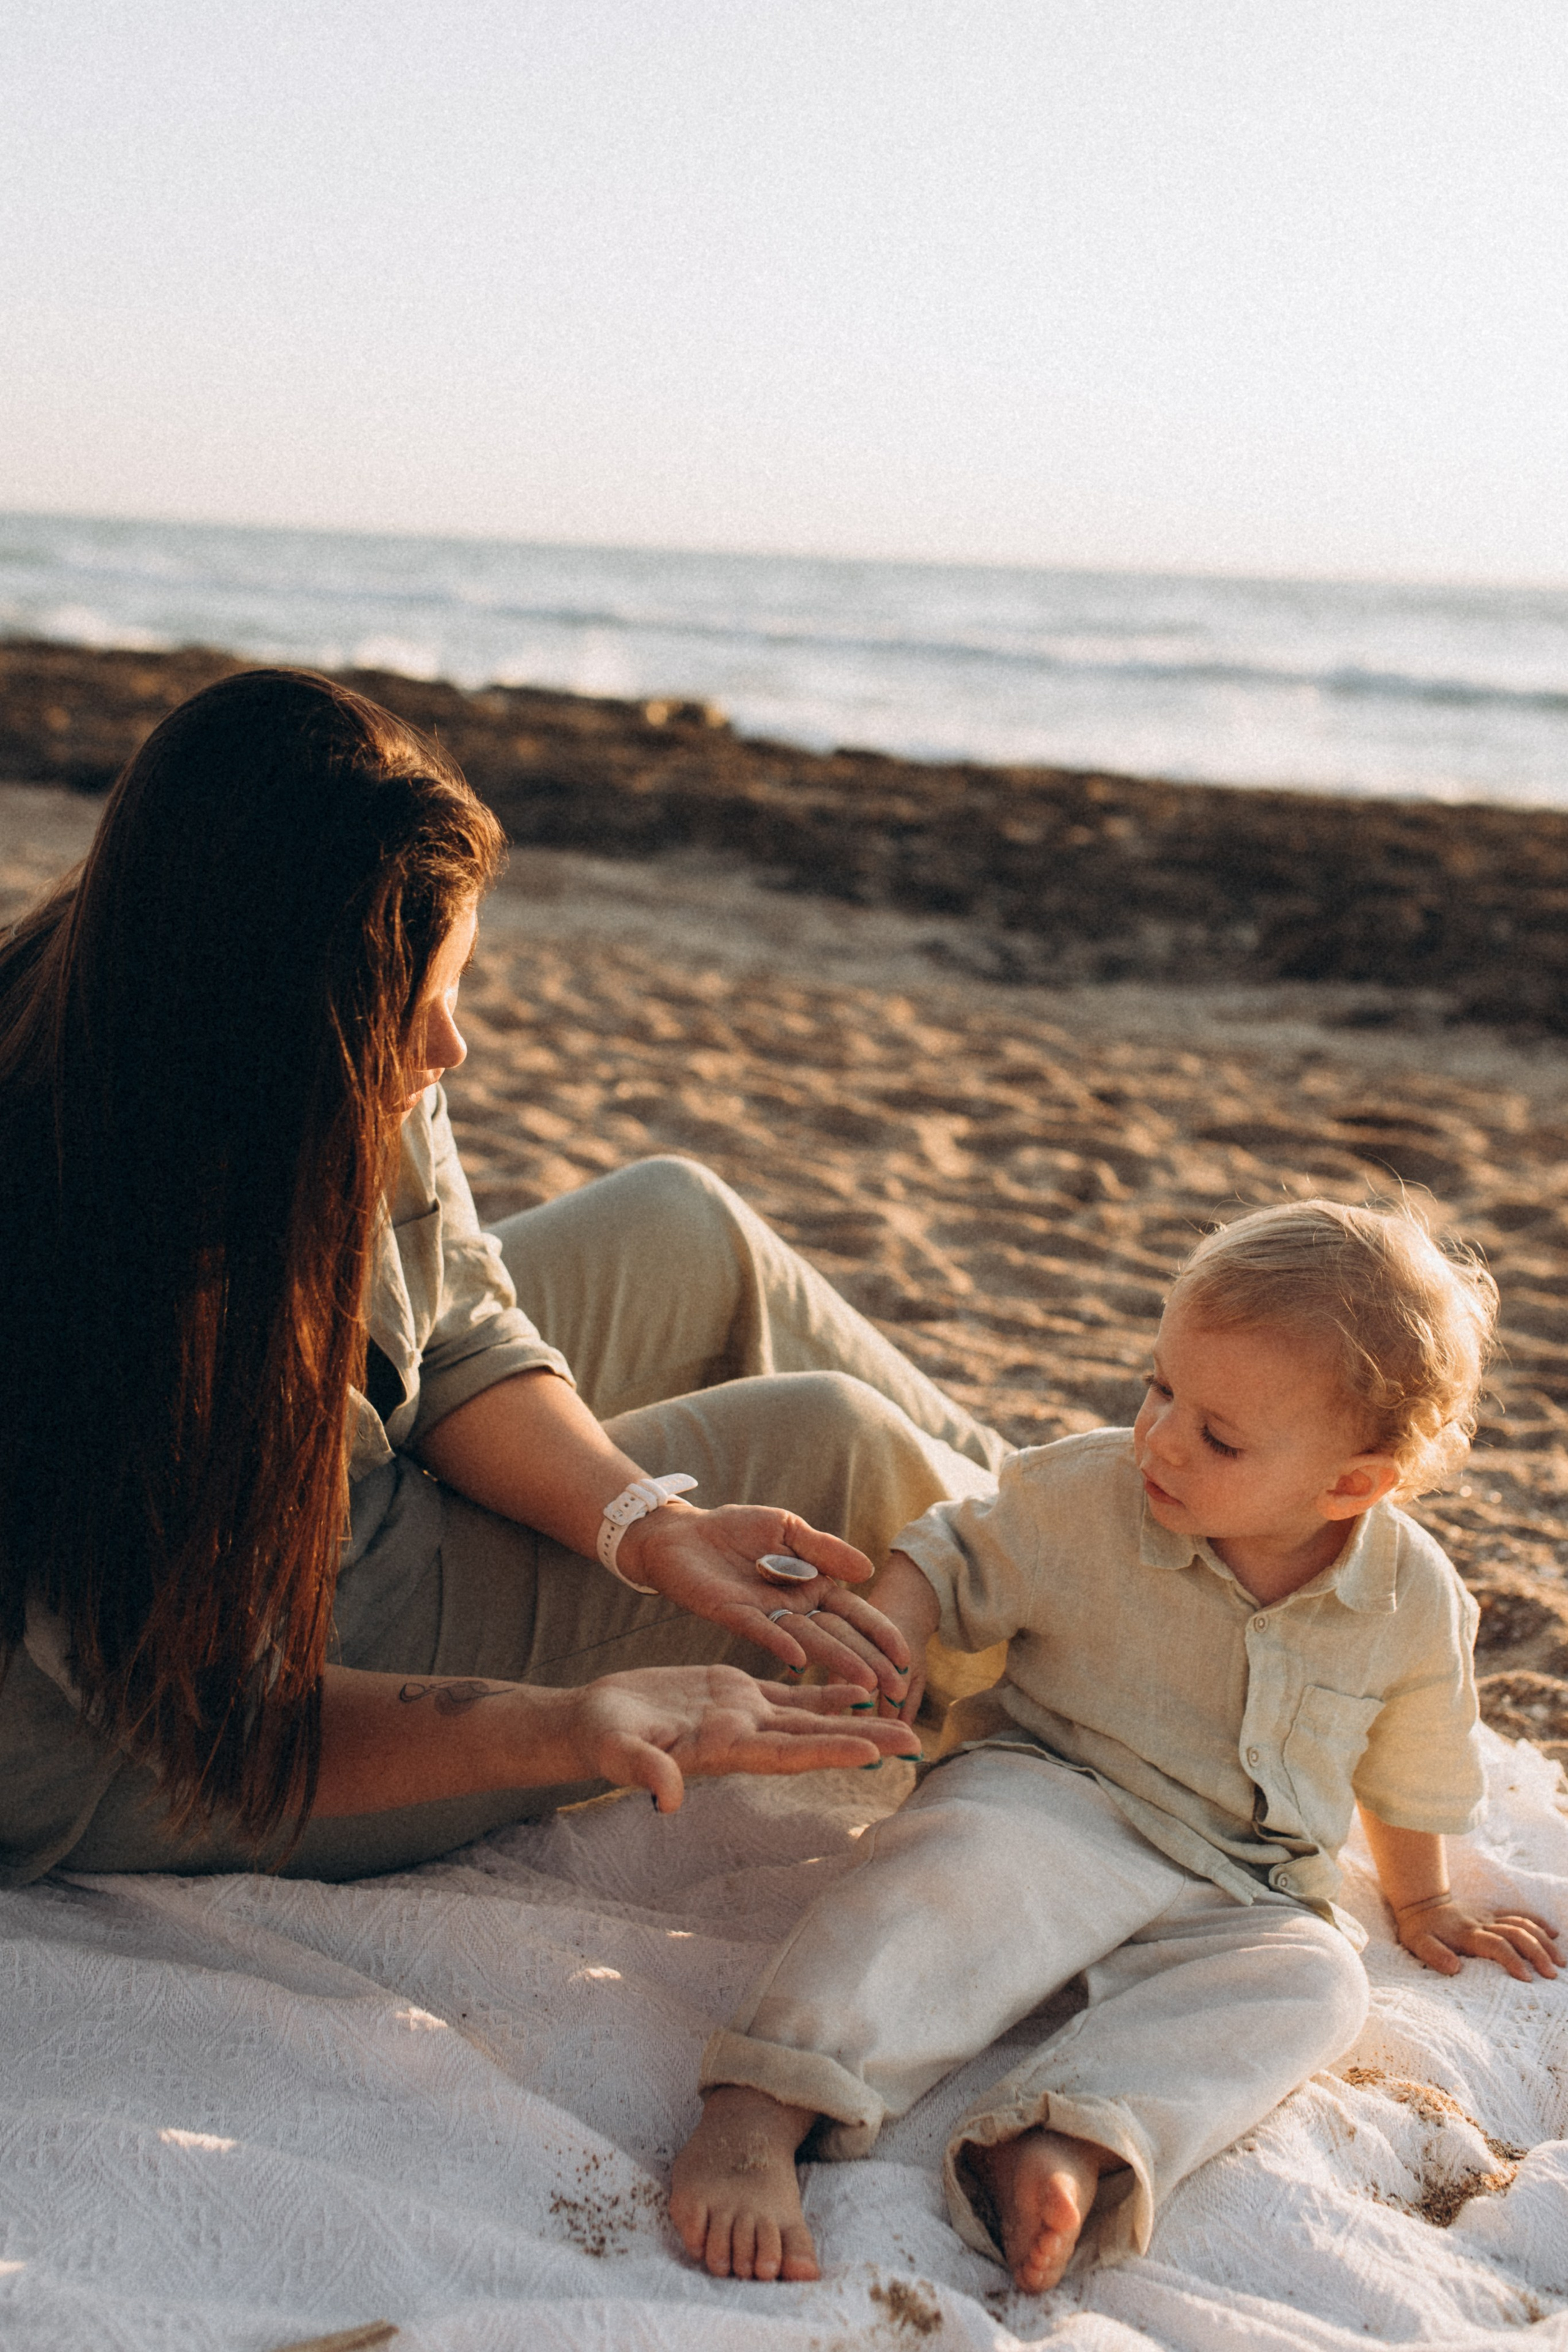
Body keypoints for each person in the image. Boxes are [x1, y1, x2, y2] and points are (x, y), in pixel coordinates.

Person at [0, 666, 1011, 1887]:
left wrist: (647, 1526)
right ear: (281, 1017)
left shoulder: (228, 995)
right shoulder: (98, 1284)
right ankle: (1122, 1663)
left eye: (452, 987)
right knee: (829, 1446)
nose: (452, 1046)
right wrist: (571, 1722)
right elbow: (225, 1727)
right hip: (174, 1743)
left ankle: (1081, 1506)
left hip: (330, 1469)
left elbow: (457, 1326)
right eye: (412, 1010)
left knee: (683, 1222)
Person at [671, 1199, 1562, 2293]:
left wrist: (1423, 1902)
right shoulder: (1090, 1495)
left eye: (1218, 1436)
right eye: (1159, 1387)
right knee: (951, 1868)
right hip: (1053, 1796)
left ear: (1352, 1485)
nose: (1160, 1438)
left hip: (1242, 1880)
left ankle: (1072, 2133)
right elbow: (952, 1549)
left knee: (1318, 1985)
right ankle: (763, 2103)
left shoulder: (1412, 1599)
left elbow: (1412, 1765)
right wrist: (893, 1629)